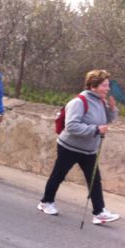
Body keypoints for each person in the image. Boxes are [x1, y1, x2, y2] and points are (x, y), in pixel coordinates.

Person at [38, 70, 119, 224]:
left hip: (89, 150)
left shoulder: (101, 101)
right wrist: (95, 130)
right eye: (104, 85)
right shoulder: (79, 102)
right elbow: (71, 126)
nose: (107, 89)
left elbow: (105, 120)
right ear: (93, 86)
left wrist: (112, 109)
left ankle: (99, 212)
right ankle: (45, 202)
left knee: (95, 179)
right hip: (69, 147)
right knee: (58, 175)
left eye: (108, 85)